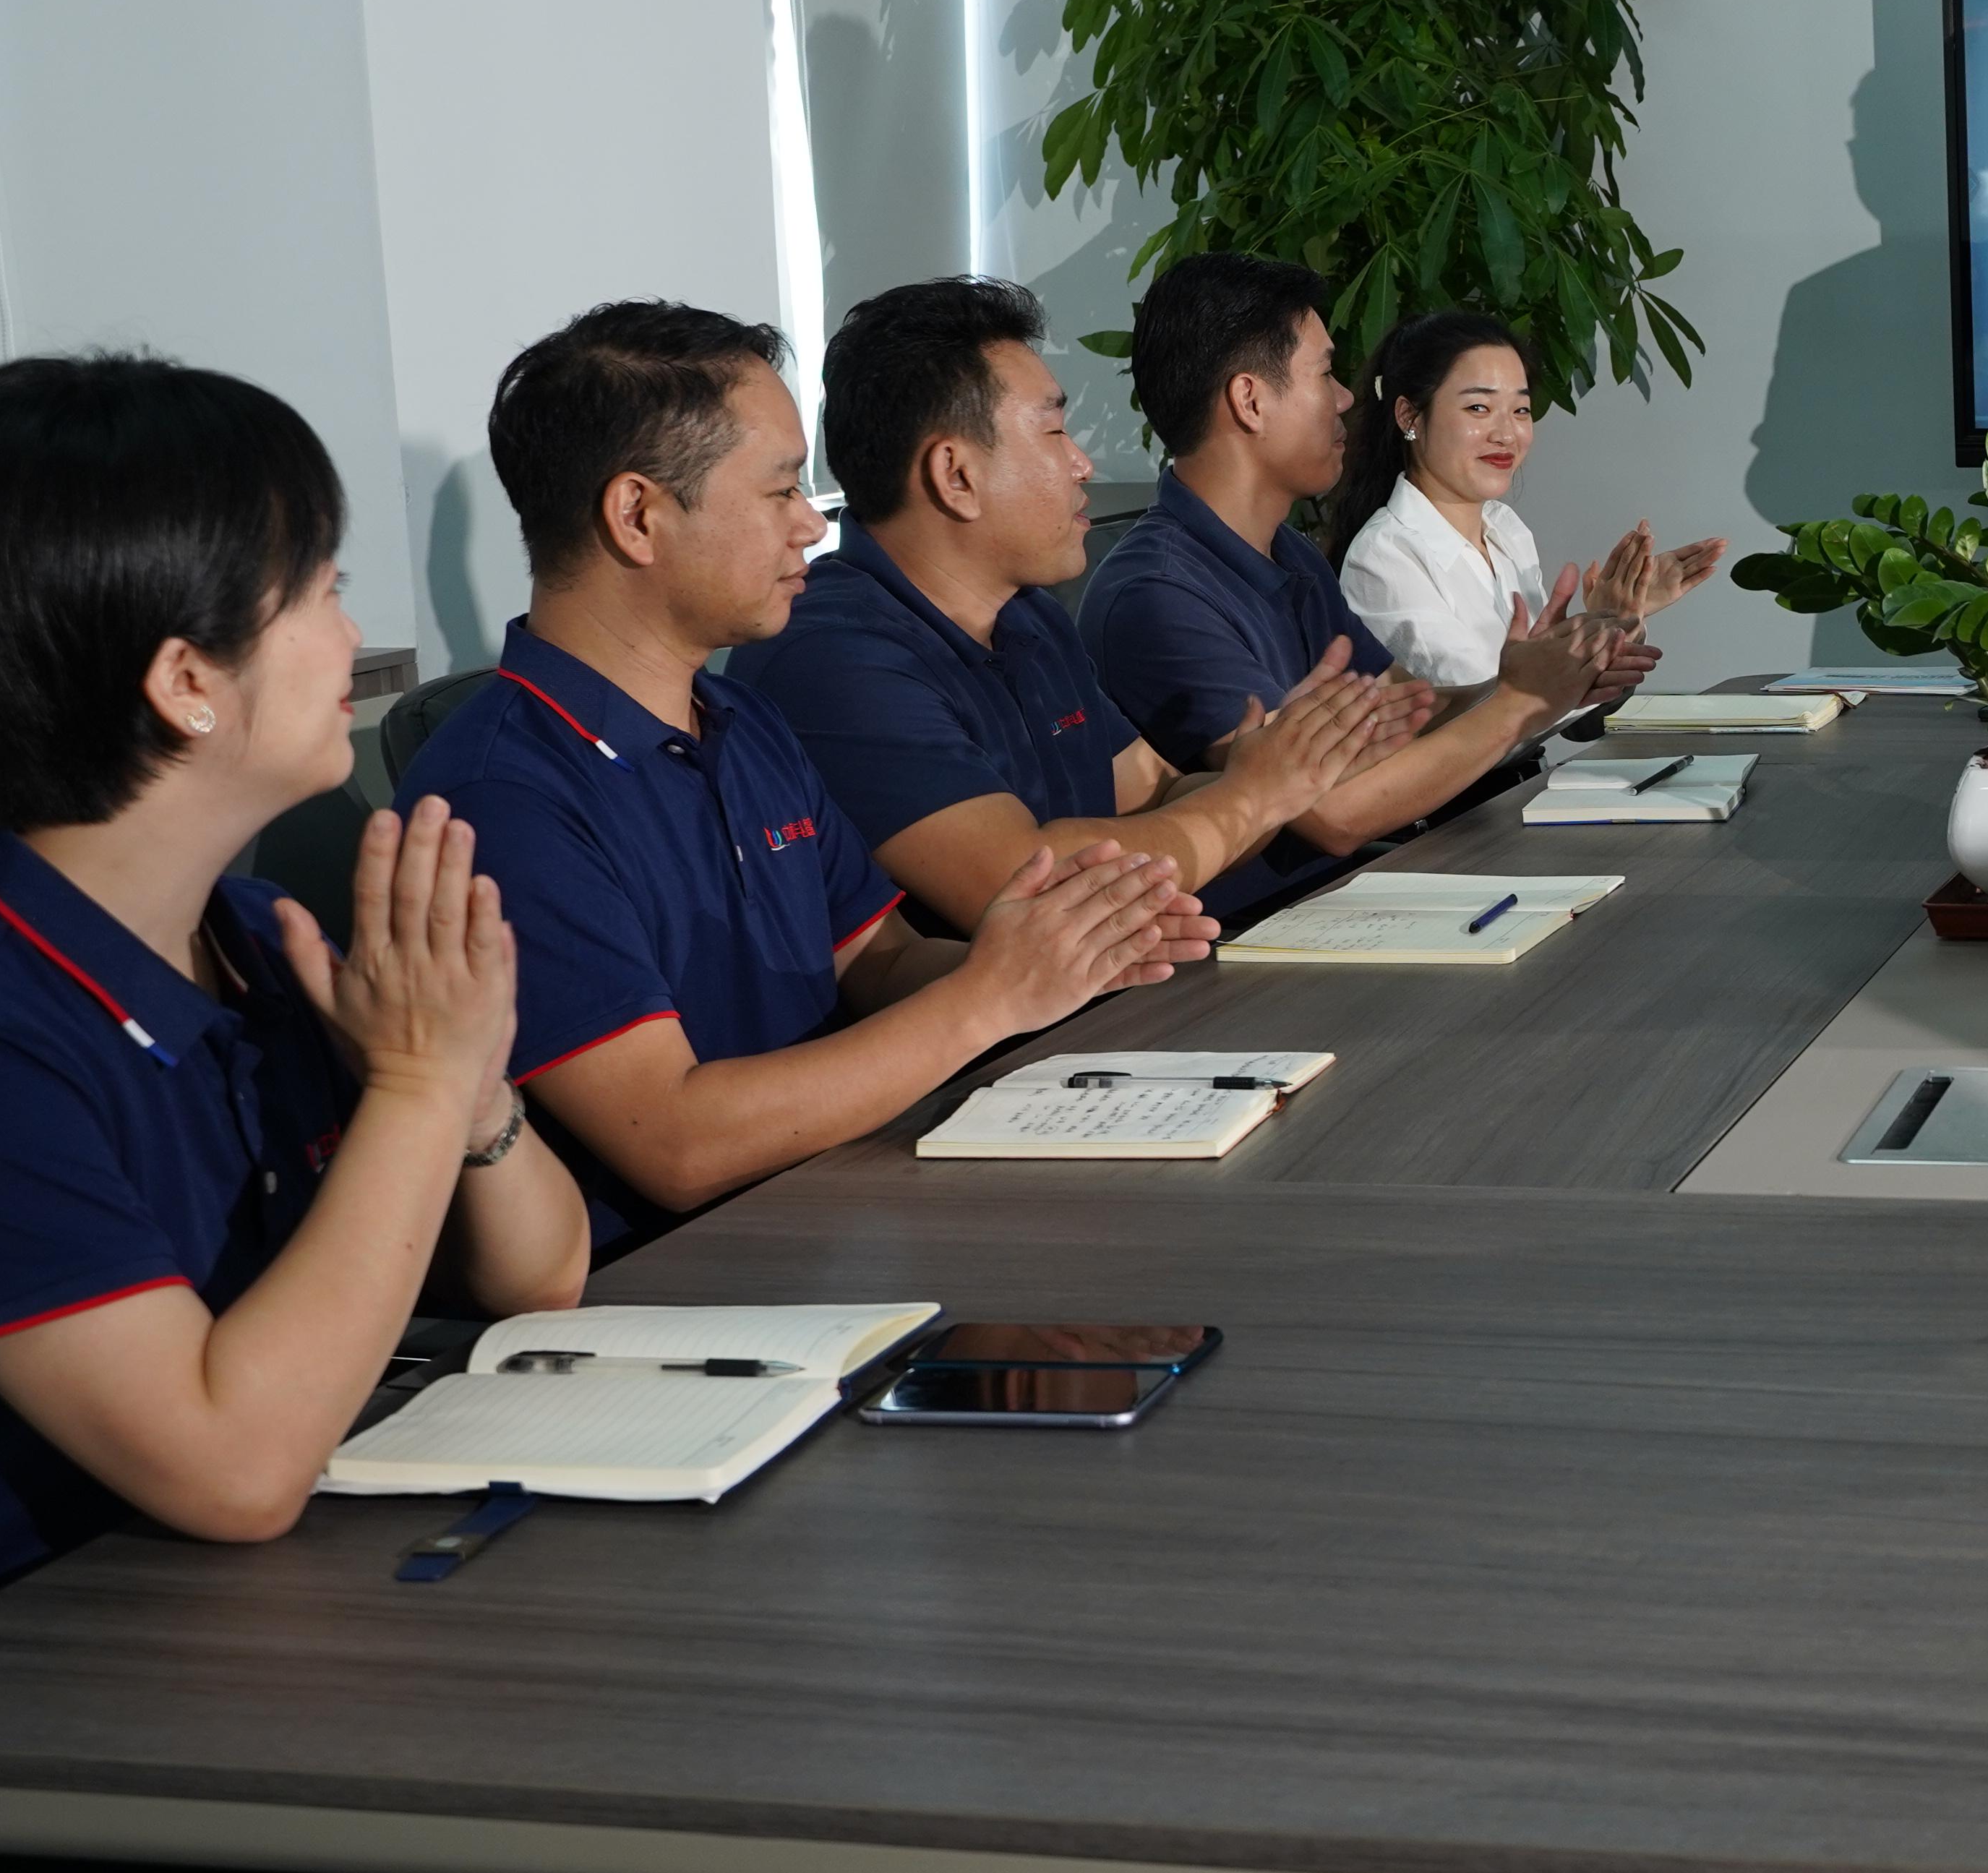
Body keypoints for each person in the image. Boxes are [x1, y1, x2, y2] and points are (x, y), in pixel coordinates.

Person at [0, 355, 800, 1873]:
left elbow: (537, 1264)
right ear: (186, 681)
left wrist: (466, 1085)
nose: (360, 636)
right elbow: (235, 1458)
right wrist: (416, 1087)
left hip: (229, 1676)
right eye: (320, 591)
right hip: (37, 1804)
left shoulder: (248, 940)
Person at [398, 303, 1216, 1257]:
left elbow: (879, 964)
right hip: (687, 1276)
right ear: (638, 517)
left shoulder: (740, 722)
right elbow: (676, 1141)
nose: (809, 525)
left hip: (852, 1203)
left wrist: (1067, 955)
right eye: (781, 489)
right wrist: (990, 997)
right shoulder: (500, 798)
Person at [737, 276, 1415, 932]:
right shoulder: (831, 655)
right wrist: (1256, 795)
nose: (1083, 464)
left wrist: (1278, 767)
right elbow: (1019, 884)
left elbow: (1154, 793)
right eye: (1055, 432)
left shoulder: (1028, 616)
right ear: (956, 475)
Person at [1084, 262, 1641, 897]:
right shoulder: (1158, 596)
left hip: (1356, 893)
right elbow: (1332, 814)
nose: (1346, 399)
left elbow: (1402, 708)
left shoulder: (1287, 553)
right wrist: (1522, 701)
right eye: (1324, 375)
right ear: (1250, 401)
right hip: (1266, 929)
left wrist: (1542, 677)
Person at [1325, 301, 1723, 703]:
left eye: (1520, 410)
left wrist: (1613, 620)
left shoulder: (1505, 530)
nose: (1506, 434)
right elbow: (1487, 713)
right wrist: (1592, 633)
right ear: (1409, 416)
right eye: (1478, 408)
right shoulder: (1384, 557)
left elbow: (1560, 712)